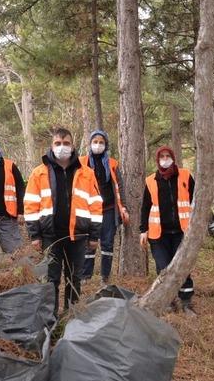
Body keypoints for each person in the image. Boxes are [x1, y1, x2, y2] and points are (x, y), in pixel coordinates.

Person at [24, 127, 102, 314]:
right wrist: (35, 235)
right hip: (51, 236)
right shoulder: (39, 172)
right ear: (51, 146)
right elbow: (30, 205)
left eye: (66, 143)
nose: (62, 147)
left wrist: (94, 235)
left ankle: (71, 315)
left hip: (78, 235)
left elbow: (96, 205)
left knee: (74, 278)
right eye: (58, 143)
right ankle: (50, 317)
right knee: (51, 279)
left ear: (73, 145)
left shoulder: (87, 173)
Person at [139, 146, 196, 313]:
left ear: (173, 157)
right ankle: (168, 301)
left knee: (182, 267)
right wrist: (143, 230)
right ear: (157, 160)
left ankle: (186, 302)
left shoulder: (185, 175)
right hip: (158, 234)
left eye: (168, 156)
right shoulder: (151, 181)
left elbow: (195, 201)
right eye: (162, 156)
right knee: (163, 268)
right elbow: (145, 208)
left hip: (182, 232)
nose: (165, 159)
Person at [81, 129, 130, 284]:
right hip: (88, 210)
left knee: (107, 243)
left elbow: (119, 187)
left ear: (106, 144)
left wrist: (124, 208)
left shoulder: (112, 163)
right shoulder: (82, 162)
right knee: (88, 242)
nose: (98, 145)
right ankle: (85, 275)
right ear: (90, 144)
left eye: (101, 142)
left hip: (108, 209)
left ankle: (104, 277)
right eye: (95, 142)